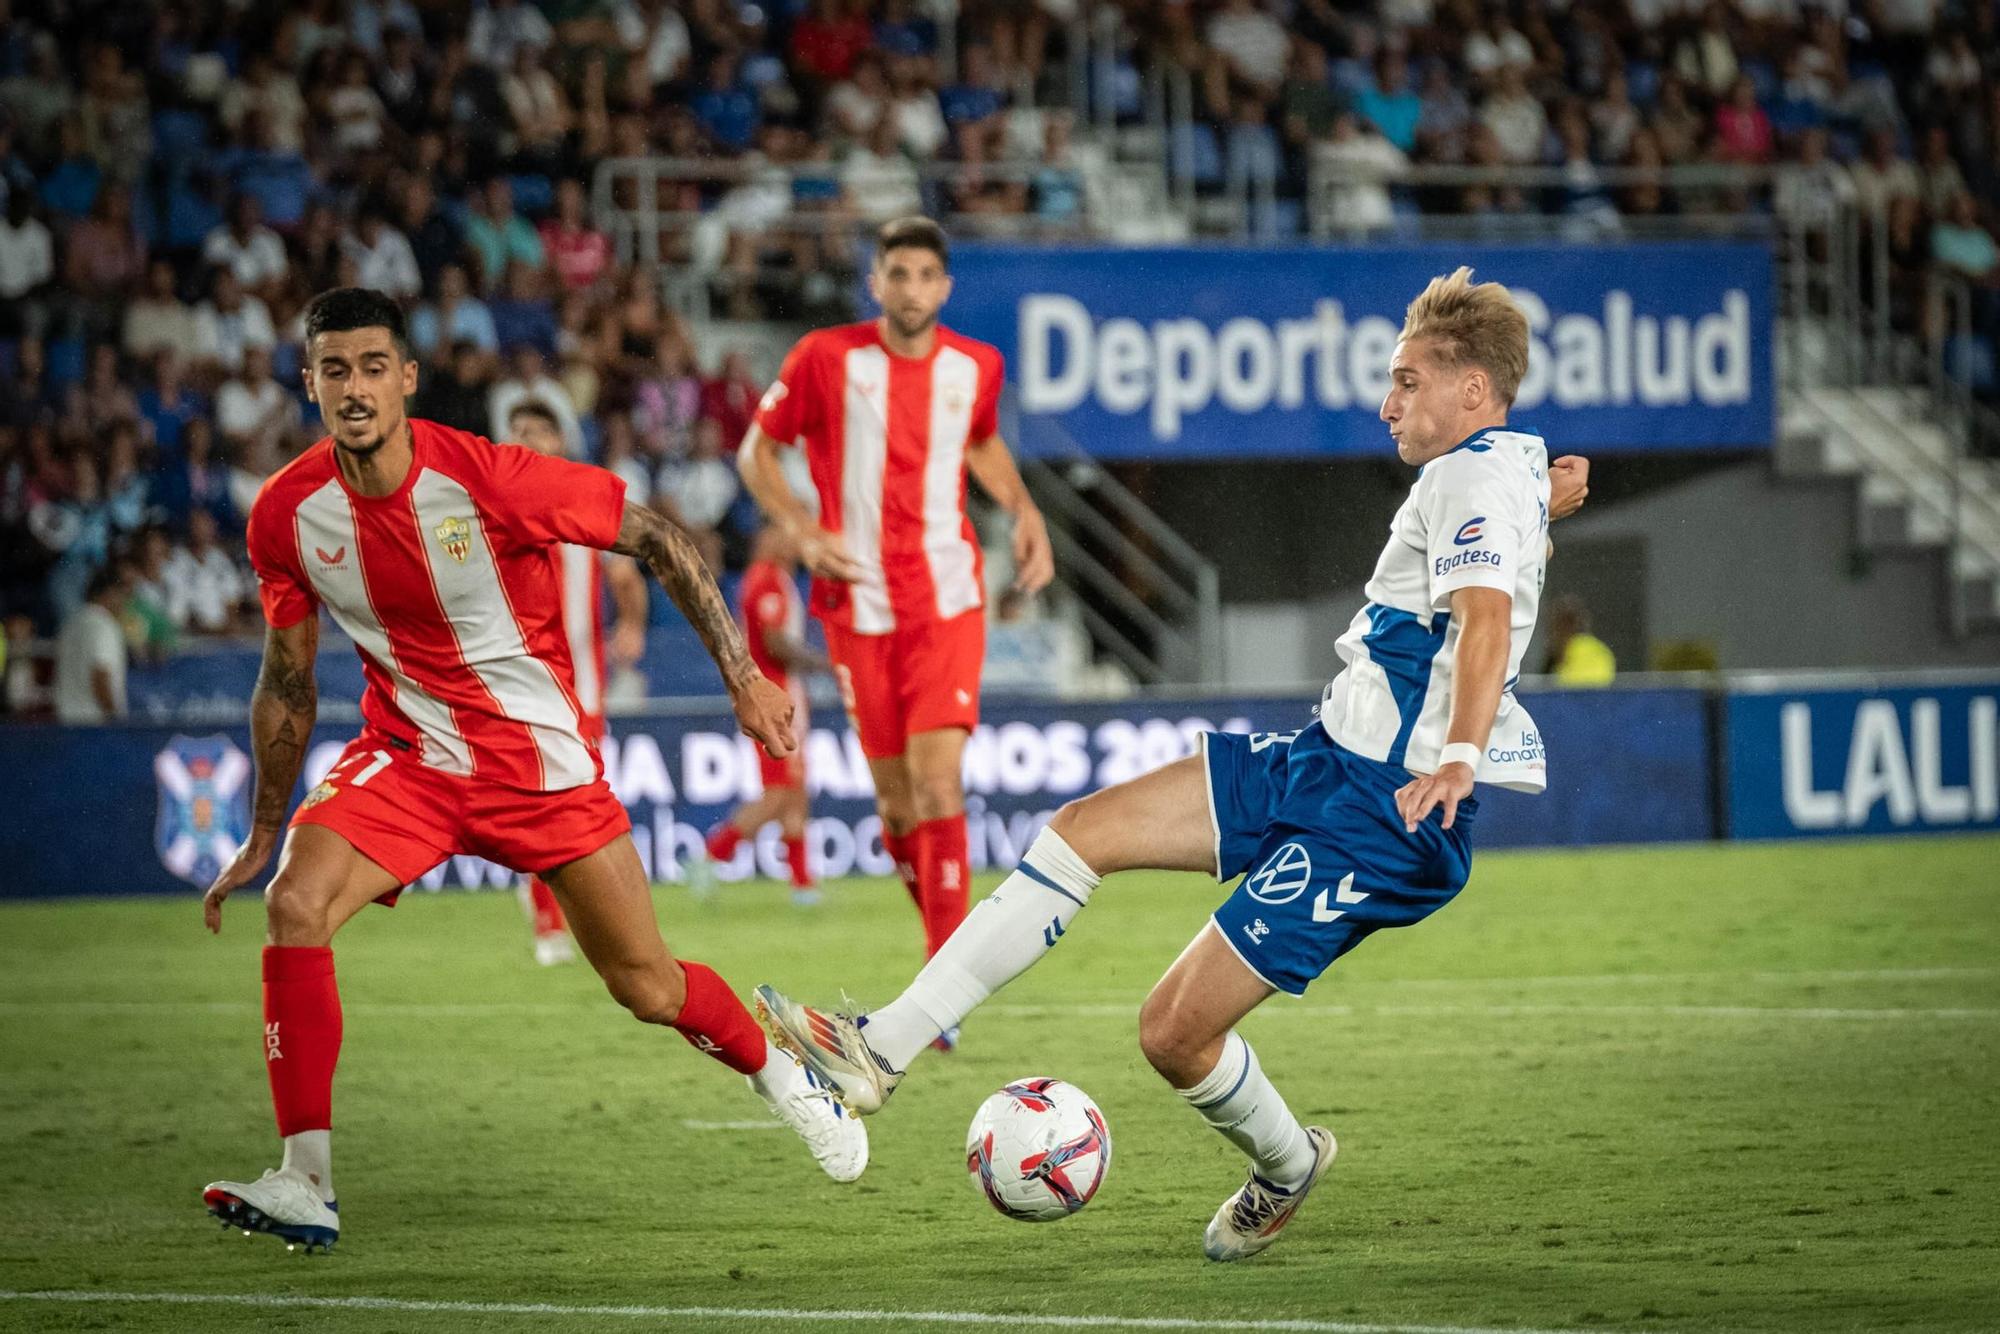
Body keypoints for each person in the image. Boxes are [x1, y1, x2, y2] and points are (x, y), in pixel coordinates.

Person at [756, 268, 1592, 1262]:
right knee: (1077, 831)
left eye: (1407, 380)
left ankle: (1285, 1166)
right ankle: (878, 1047)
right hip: (1325, 762)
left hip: (1385, 815)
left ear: (1471, 391)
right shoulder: (1496, 470)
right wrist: (1545, 498)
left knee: (1170, 1033)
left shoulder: (1470, 474)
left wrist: (1457, 754)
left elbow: (1486, 614)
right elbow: (1495, 542)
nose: (1387, 402)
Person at [198, 289, 865, 1255]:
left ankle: (783, 1075)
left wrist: (746, 679)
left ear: (408, 379)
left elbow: (662, 539)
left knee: (648, 986)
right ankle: (305, 1180)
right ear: (307, 382)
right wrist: (266, 827)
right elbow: (286, 678)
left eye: (373, 366)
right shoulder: (288, 514)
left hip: (539, 765)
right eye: (333, 369)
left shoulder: (490, 478)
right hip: (410, 759)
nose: (354, 388)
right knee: (296, 903)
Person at [736, 216, 1054, 1031]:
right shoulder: (825, 359)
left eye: (926, 276)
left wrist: (1023, 509)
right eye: (897, 274)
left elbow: (979, 441)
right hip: (856, 607)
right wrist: (804, 531)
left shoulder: (975, 367)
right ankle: (939, 953)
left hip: (947, 597)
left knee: (940, 780)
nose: (912, 290)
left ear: (944, 289)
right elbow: (756, 455)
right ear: (874, 283)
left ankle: (938, 998)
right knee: (900, 808)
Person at [504, 397, 650, 966]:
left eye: (541, 430)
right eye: (520, 430)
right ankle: (548, 923)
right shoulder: (486, 505)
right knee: (544, 806)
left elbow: (624, 572)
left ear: (560, 441)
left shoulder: (582, 500)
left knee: (574, 806)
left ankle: (553, 907)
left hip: (581, 687)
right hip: (515, 686)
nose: (531, 440)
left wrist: (633, 624)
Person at [692, 525, 829, 906]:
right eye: (783, 535)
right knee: (778, 794)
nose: (792, 540)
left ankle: (803, 885)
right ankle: (711, 855)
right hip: (773, 698)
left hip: (785, 697)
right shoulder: (766, 579)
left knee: (795, 793)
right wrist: (821, 661)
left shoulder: (774, 578)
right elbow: (773, 643)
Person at [53, 561, 130, 723]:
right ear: (109, 593)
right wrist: (114, 720)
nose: (124, 602)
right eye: (121, 594)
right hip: (94, 725)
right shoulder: (104, 625)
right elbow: (100, 674)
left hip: (64, 722)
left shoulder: (70, 623)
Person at [1542, 594, 1616, 685]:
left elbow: (1579, 692)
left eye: (1554, 626)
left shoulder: (1590, 652)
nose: (1550, 634)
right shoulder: (1555, 659)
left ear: (1568, 625)